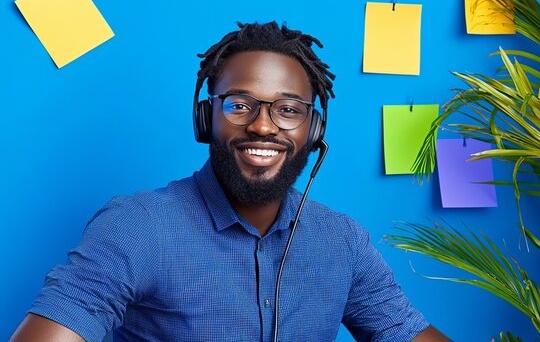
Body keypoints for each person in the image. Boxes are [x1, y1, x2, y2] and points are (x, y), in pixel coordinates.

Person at [10, 21, 451, 342]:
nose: (263, 127)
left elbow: (402, 331)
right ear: (207, 119)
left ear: (313, 131)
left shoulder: (343, 241)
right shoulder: (135, 227)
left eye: (289, 109)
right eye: (240, 105)